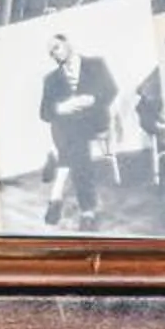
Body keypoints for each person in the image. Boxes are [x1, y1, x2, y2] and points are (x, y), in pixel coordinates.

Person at [37, 32, 118, 229]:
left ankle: (55, 196)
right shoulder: (51, 79)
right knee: (75, 142)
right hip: (69, 129)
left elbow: (110, 90)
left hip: (94, 120)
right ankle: (87, 210)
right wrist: (60, 108)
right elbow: (44, 113)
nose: (54, 54)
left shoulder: (96, 64)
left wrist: (92, 99)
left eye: (56, 47)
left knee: (70, 140)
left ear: (67, 43)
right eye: (51, 52)